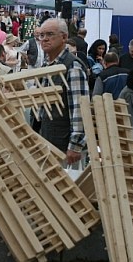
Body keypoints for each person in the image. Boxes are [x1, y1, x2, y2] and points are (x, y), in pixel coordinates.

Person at [38, 19, 89, 166]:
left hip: (65, 145)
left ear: (64, 37)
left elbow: (80, 109)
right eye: (41, 35)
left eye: (50, 34)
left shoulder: (72, 66)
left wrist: (75, 146)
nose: (45, 39)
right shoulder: (47, 64)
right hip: (49, 138)